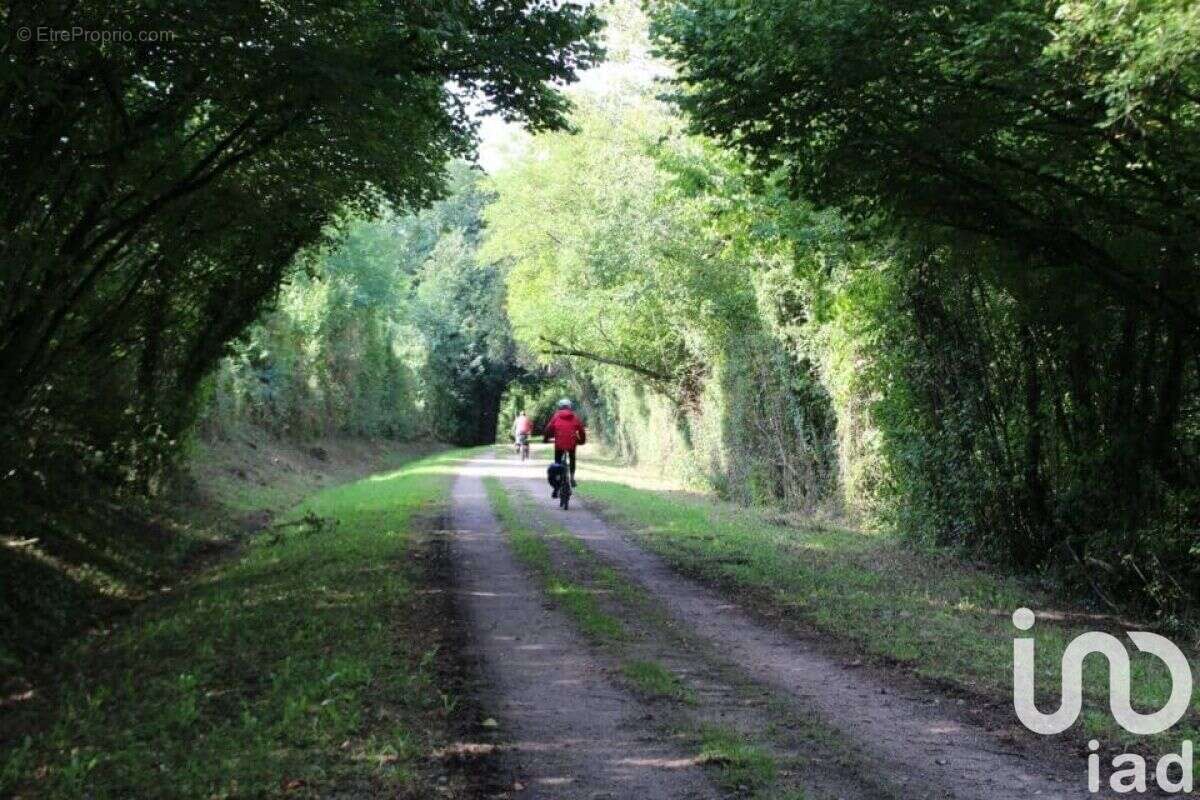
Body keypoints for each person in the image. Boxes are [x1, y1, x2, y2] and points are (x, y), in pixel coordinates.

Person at [543, 398, 585, 496]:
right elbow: (581, 430)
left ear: (560, 406)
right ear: (570, 406)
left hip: (559, 444)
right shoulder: (574, 417)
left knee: (557, 463)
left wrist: (546, 439)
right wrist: (581, 441)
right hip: (572, 443)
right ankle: (572, 477)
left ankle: (557, 485)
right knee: (572, 458)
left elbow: (548, 428)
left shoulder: (556, 416)